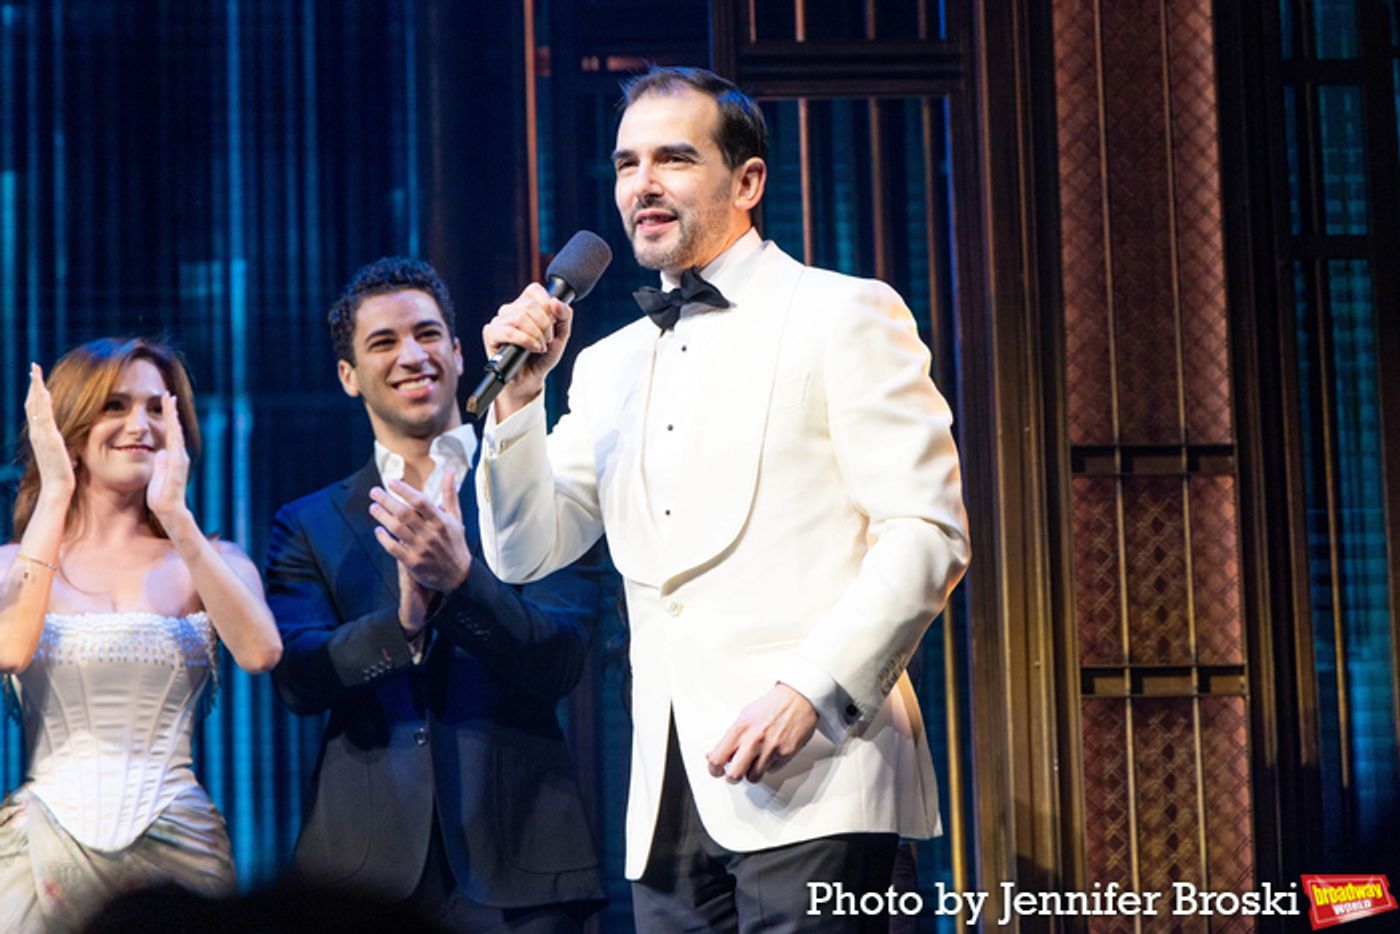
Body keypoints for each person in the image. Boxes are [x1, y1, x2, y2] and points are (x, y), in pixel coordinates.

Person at [479, 66, 971, 932]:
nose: (643, 184)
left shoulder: (843, 313)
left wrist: (810, 690)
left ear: (747, 182)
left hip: (821, 772)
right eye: (627, 164)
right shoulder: (607, 365)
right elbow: (525, 551)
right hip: (668, 797)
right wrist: (518, 403)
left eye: (673, 159)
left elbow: (927, 533)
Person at [265, 257, 605, 933]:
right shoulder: (308, 523)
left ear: (458, 350)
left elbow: (562, 656)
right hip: (360, 876)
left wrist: (460, 583)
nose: (411, 356)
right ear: (348, 375)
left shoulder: (537, 488)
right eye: (383, 342)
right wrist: (403, 625)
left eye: (426, 334)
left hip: (523, 863)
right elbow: (298, 678)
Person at [0, 338, 283, 933]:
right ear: (72, 424)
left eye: (157, 407)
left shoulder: (214, 559)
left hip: (176, 840)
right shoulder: (10, 566)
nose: (140, 425)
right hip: (43, 845)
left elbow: (261, 652)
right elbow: (12, 649)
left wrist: (177, 518)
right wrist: (55, 493)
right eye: (116, 405)